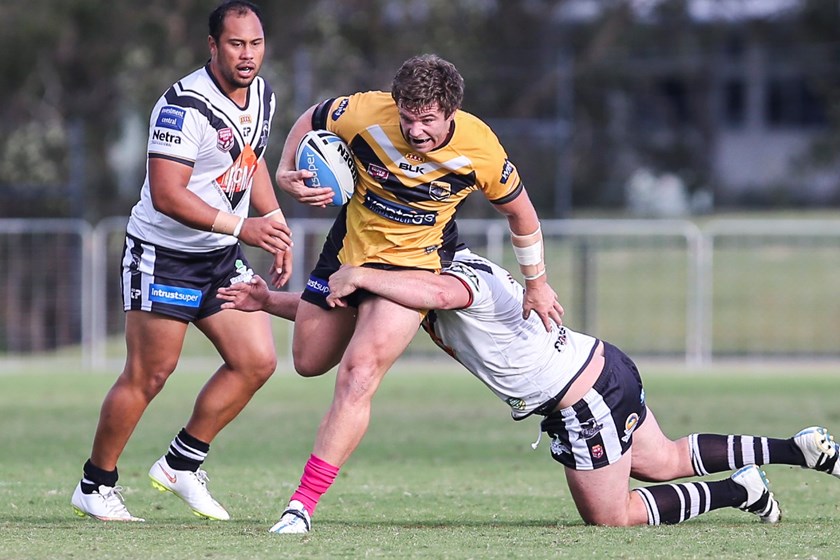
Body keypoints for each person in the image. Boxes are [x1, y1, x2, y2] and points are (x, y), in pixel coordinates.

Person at [218, 247, 840, 531]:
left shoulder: (462, 276)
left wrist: (360, 268)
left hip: (580, 399)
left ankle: (734, 491)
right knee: (667, 460)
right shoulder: (410, 286)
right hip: (602, 366)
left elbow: (434, 294)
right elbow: (344, 317)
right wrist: (267, 299)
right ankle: (793, 452)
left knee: (611, 517)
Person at [265, 53, 564, 532]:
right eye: (408, 118)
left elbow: (522, 215)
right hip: (349, 249)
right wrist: (285, 169)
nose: (416, 130)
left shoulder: (480, 147)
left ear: (450, 112)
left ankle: (300, 506)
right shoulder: (366, 112)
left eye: (427, 120)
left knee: (358, 374)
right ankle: (342, 309)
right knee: (308, 360)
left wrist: (538, 283)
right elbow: (313, 117)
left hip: (415, 265)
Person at [70, 0, 293, 523]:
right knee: (151, 374)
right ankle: (94, 484)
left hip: (219, 257)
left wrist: (275, 223)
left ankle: (181, 464)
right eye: (236, 44)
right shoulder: (184, 107)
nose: (247, 55)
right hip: (163, 255)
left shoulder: (261, 95)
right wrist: (245, 226)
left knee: (256, 361)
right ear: (212, 46)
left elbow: (249, 159)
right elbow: (168, 195)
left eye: (255, 44)